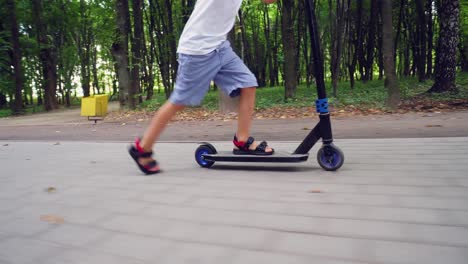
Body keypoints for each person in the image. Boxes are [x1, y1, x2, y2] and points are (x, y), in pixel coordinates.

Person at [129, 0, 277, 174]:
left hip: (219, 47)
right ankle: (142, 148)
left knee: (248, 84)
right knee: (180, 101)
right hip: (196, 51)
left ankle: (242, 140)